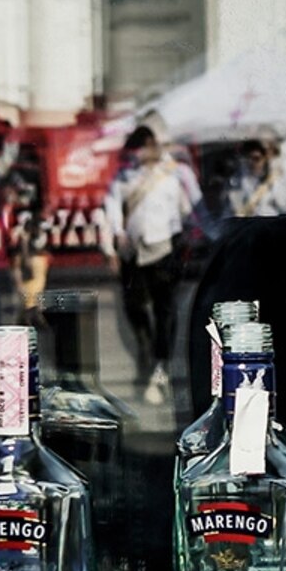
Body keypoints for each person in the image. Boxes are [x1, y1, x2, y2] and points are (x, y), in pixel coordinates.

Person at [107, 124, 193, 404]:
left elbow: (187, 211)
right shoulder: (124, 177)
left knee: (164, 310)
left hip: (165, 249)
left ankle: (160, 367)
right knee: (134, 307)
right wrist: (116, 236)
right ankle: (147, 351)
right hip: (134, 252)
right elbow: (111, 207)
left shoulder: (173, 175)